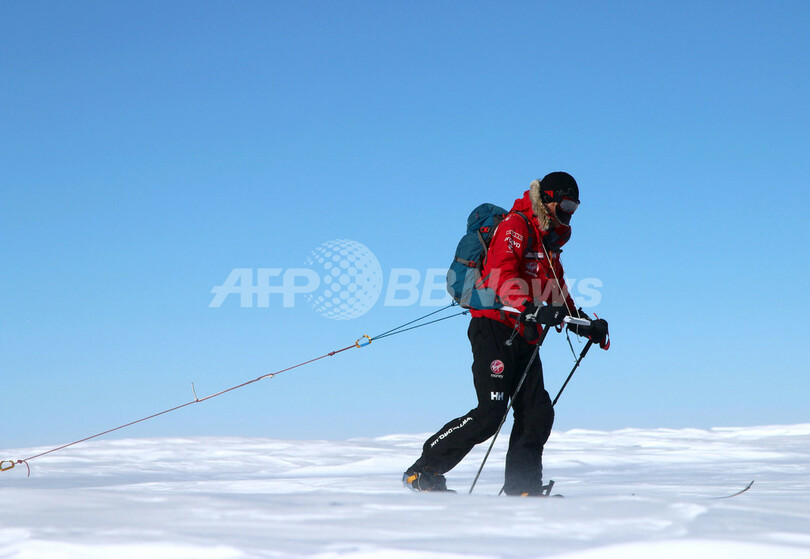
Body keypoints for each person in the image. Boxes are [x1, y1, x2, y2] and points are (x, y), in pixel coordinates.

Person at [403, 172, 609, 495]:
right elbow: (501, 275)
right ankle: (423, 470)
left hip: (525, 335)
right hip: (495, 328)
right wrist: (529, 304)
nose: (569, 213)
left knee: (537, 412)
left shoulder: (548, 244)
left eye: (575, 207)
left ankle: (522, 490)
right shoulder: (517, 225)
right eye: (565, 204)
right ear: (548, 198)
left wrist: (586, 325)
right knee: (491, 412)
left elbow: (557, 293)